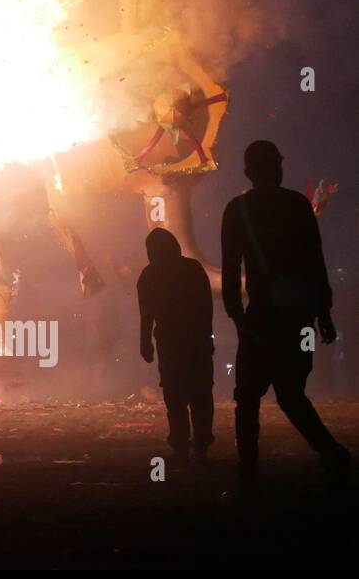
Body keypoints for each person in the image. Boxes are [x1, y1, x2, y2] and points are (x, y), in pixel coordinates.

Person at [221, 140, 350, 487]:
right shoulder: (297, 206)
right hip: (297, 318)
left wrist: (238, 318)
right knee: (291, 394)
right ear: (278, 167)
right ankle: (331, 452)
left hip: (260, 319)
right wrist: (323, 313)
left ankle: (248, 472)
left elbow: (231, 271)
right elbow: (315, 262)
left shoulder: (237, 211)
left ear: (248, 171)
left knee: (247, 399)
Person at [136, 227, 214, 460]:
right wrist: (208, 338)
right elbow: (206, 308)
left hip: (170, 342)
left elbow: (146, 315)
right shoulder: (193, 269)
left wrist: (145, 343)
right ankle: (201, 442)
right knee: (199, 393)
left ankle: (180, 442)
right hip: (195, 340)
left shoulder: (148, 275)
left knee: (175, 394)